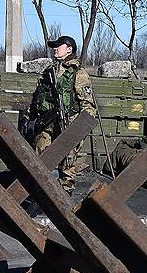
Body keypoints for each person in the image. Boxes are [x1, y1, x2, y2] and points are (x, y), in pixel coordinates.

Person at [29, 35, 97, 195]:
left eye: (58, 46)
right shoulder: (49, 71)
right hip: (47, 122)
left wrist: (80, 128)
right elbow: (38, 95)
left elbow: (88, 103)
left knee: (68, 160)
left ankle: (65, 192)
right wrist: (32, 115)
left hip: (70, 123)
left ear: (69, 49)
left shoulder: (78, 73)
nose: (55, 48)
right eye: (54, 46)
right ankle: (38, 190)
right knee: (40, 155)